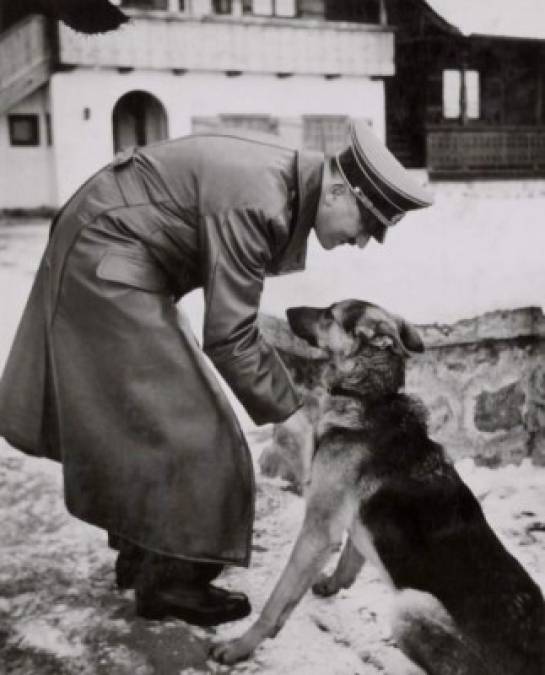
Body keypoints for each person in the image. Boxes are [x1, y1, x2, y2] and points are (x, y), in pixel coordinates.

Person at [0, 121, 433, 626]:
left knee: (143, 420)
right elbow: (229, 335)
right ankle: (171, 585)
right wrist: (289, 411)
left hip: (107, 249)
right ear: (337, 189)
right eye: (365, 224)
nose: (361, 242)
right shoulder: (262, 203)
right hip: (106, 258)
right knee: (200, 432)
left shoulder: (280, 186)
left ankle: (146, 558)